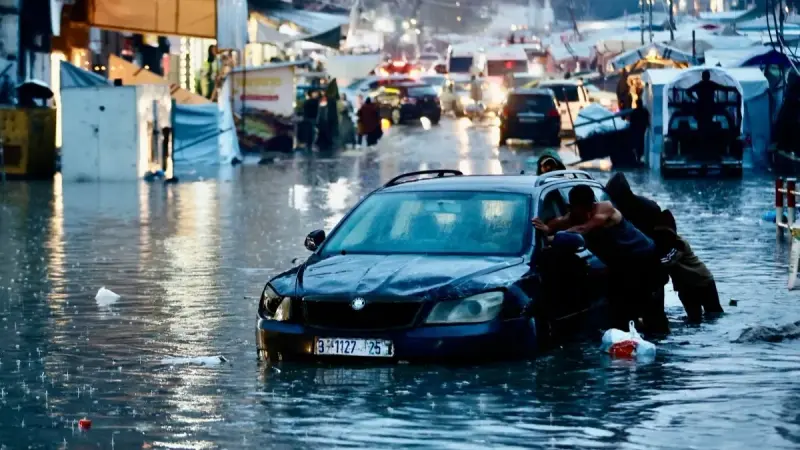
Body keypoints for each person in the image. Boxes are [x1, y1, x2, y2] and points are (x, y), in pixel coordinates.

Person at [533, 185, 668, 332]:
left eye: (588, 211)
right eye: (579, 212)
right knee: (624, 313)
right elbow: (557, 223)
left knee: (652, 313)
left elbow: (582, 229)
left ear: (592, 205)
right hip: (622, 266)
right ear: (570, 207)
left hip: (645, 259)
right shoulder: (572, 216)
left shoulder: (605, 209)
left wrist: (553, 237)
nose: (586, 215)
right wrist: (546, 229)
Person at [654, 211, 724, 322]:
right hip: (685, 286)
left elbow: (667, 261)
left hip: (703, 282)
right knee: (694, 319)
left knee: (714, 314)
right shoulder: (660, 245)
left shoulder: (679, 243)